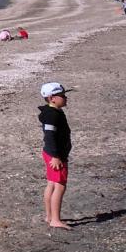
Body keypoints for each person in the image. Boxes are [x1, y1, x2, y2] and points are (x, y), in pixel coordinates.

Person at [38, 82, 74, 229]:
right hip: (55, 156)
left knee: (52, 184)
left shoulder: (51, 112)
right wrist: (55, 156)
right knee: (59, 186)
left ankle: (49, 216)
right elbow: (50, 136)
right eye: (62, 96)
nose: (65, 98)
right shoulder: (52, 116)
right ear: (52, 98)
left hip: (51, 153)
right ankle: (55, 220)